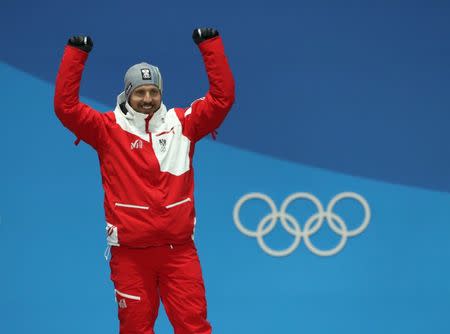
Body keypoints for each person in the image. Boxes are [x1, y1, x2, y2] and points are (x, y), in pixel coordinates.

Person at [54, 28, 235, 334]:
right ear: (127, 94)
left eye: (154, 92)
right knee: (135, 329)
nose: (148, 99)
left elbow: (222, 99)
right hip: (130, 256)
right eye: (140, 92)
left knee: (195, 328)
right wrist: (76, 56)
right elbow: (66, 107)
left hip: (179, 253)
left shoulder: (183, 124)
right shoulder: (106, 129)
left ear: (161, 93)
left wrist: (210, 47)